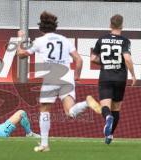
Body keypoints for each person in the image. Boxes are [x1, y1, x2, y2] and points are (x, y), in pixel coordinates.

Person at [17, 11, 101, 152]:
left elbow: (21, 54)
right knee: (70, 112)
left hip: (52, 75)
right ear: (55, 26)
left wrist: (21, 39)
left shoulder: (40, 41)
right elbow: (79, 60)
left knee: (44, 109)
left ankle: (44, 144)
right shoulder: (65, 40)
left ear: (41, 28)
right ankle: (86, 103)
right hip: (67, 75)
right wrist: (77, 76)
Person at [91, 14, 136, 144]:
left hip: (105, 77)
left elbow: (93, 58)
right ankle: (109, 136)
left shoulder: (102, 39)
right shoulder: (125, 41)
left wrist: (106, 61)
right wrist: (133, 75)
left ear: (110, 25)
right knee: (116, 108)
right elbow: (127, 58)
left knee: (105, 106)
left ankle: (108, 117)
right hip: (120, 78)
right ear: (122, 25)